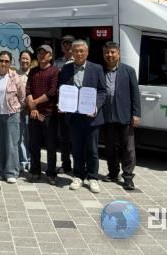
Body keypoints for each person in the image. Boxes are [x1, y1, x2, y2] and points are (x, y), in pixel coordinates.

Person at [58, 39, 107, 194]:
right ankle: (78, 176)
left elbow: (102, 91)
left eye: (81, 51)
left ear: (87, 52)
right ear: (71, 52)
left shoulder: (97, 68)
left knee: (92, 150)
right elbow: (62, 88)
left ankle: (92, 177)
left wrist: (96, 107)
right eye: (76, 51)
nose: (79, 53)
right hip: (74, 116)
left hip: (91, 116)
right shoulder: (66, 69)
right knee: (77, 148)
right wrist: (62, 102)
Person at [101, 41, 141, 190]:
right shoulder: (99, 70)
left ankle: (128, 177)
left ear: (119, 54)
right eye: (107, 52)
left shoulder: (128, 71)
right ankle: (113, 173)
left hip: (125, 115)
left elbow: (135, 94)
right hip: (106, 115)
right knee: (110, 147)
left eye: (112, 52)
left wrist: (136, 114)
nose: (109, 55)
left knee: (128, 148)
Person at [25, 45, 59, 184]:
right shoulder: (33, 71)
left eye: (44, 53)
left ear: (50, 56)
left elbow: (52, 92)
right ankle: (35, 171)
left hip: (49, 114)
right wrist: (32, 106)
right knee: (34, 144)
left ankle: (51, 173)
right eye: (39, 53)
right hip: (34, 113)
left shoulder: (55, 71)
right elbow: (28, 89)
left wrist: (35, 102)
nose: (41, 55)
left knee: (51, 146)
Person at [0, 51, 26, 183]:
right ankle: (0, 170)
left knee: (11, 144)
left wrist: (18, 108)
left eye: (6, 61)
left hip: (12, 114)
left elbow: (22, 96)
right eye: (1, 61)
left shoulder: (15, 77)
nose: (3, 63)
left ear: (10, 63)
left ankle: (11, 172)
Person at [55, 35, 75, 174]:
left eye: (70, 43)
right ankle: (65, 163)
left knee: (77, 137)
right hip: (62, 105)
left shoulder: (79, 61)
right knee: (64, 137)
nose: (67, 46)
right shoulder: (57, 63)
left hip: (77, 106)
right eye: (64, 44)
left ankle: (79, 165)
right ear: (62, 47)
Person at [16, 50, 32, 174]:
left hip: (31, 110)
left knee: (31, 136)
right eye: (22, 58)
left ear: (30, 61)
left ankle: (31, 160)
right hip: (19, 110)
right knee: (20, 136)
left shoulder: (34, 74)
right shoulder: (15, 74)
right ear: (19, 60)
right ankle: (23, 161)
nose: (24, 61)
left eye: (27, 58)